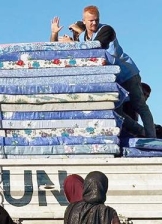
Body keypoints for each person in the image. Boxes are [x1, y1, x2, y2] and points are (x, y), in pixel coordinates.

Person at [53, 6, 155, 138]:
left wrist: (72, 44)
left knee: (140, 106)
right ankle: (139, 131)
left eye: (96, 20)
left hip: (127, 74)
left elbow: (96, 48)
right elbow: (67, 52)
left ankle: (152, 137)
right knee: (115, 110)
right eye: (90, 21)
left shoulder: (106, 30)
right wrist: (55, 34)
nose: (94, 23)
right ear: (84, 21)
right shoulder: (83, 38)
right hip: (113, 79)